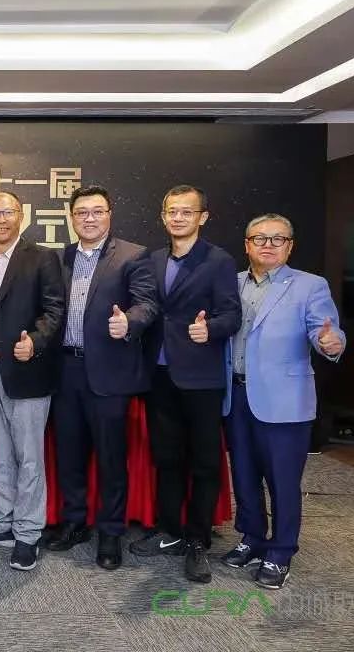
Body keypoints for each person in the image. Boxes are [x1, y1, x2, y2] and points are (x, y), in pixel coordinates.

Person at [220, 213, 345, 590]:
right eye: (259, 238)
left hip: (284, 401)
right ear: (247, 245)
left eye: (278, 239)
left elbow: (326, 329)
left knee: (283, 480)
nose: (268, 245)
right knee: (243, 475)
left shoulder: (310, 285)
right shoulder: (230, 283)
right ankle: (252, 538)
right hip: (236, 395)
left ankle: (281, 550)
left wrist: (331, 342)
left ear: (290, 246)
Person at [44, 185, 158, 571]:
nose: (89, 218)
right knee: (69, 454)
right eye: (81, 212)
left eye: (96, 211)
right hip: (66, 370)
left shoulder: (132, 255)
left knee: (111, 457)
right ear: (71, 217)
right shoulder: (59, 258)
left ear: (109, 214)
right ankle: (74, 522)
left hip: (109, 374)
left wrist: (130, 322)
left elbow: (147, 303)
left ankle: (110, 532)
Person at [131, 185, 241, 583]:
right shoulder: (152, 259)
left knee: (205, 462)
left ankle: (197, 540)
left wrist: (210, 329)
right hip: (159, 376)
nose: (178, 218)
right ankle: (170, 530)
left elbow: (232, 315)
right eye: (172, 212)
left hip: (200, 378)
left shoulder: (218, 261)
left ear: (202, 217)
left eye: (187, 212)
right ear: (163, 216)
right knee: (167, 457)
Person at [0, 192, 65, 571]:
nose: (1, 219)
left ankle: (28, 533)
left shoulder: (42, 258)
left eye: (8, 212)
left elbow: (55, 309)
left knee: (28, 456)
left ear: (21, 216)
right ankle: (3, 520)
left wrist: (35, 341)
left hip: (26, 369)